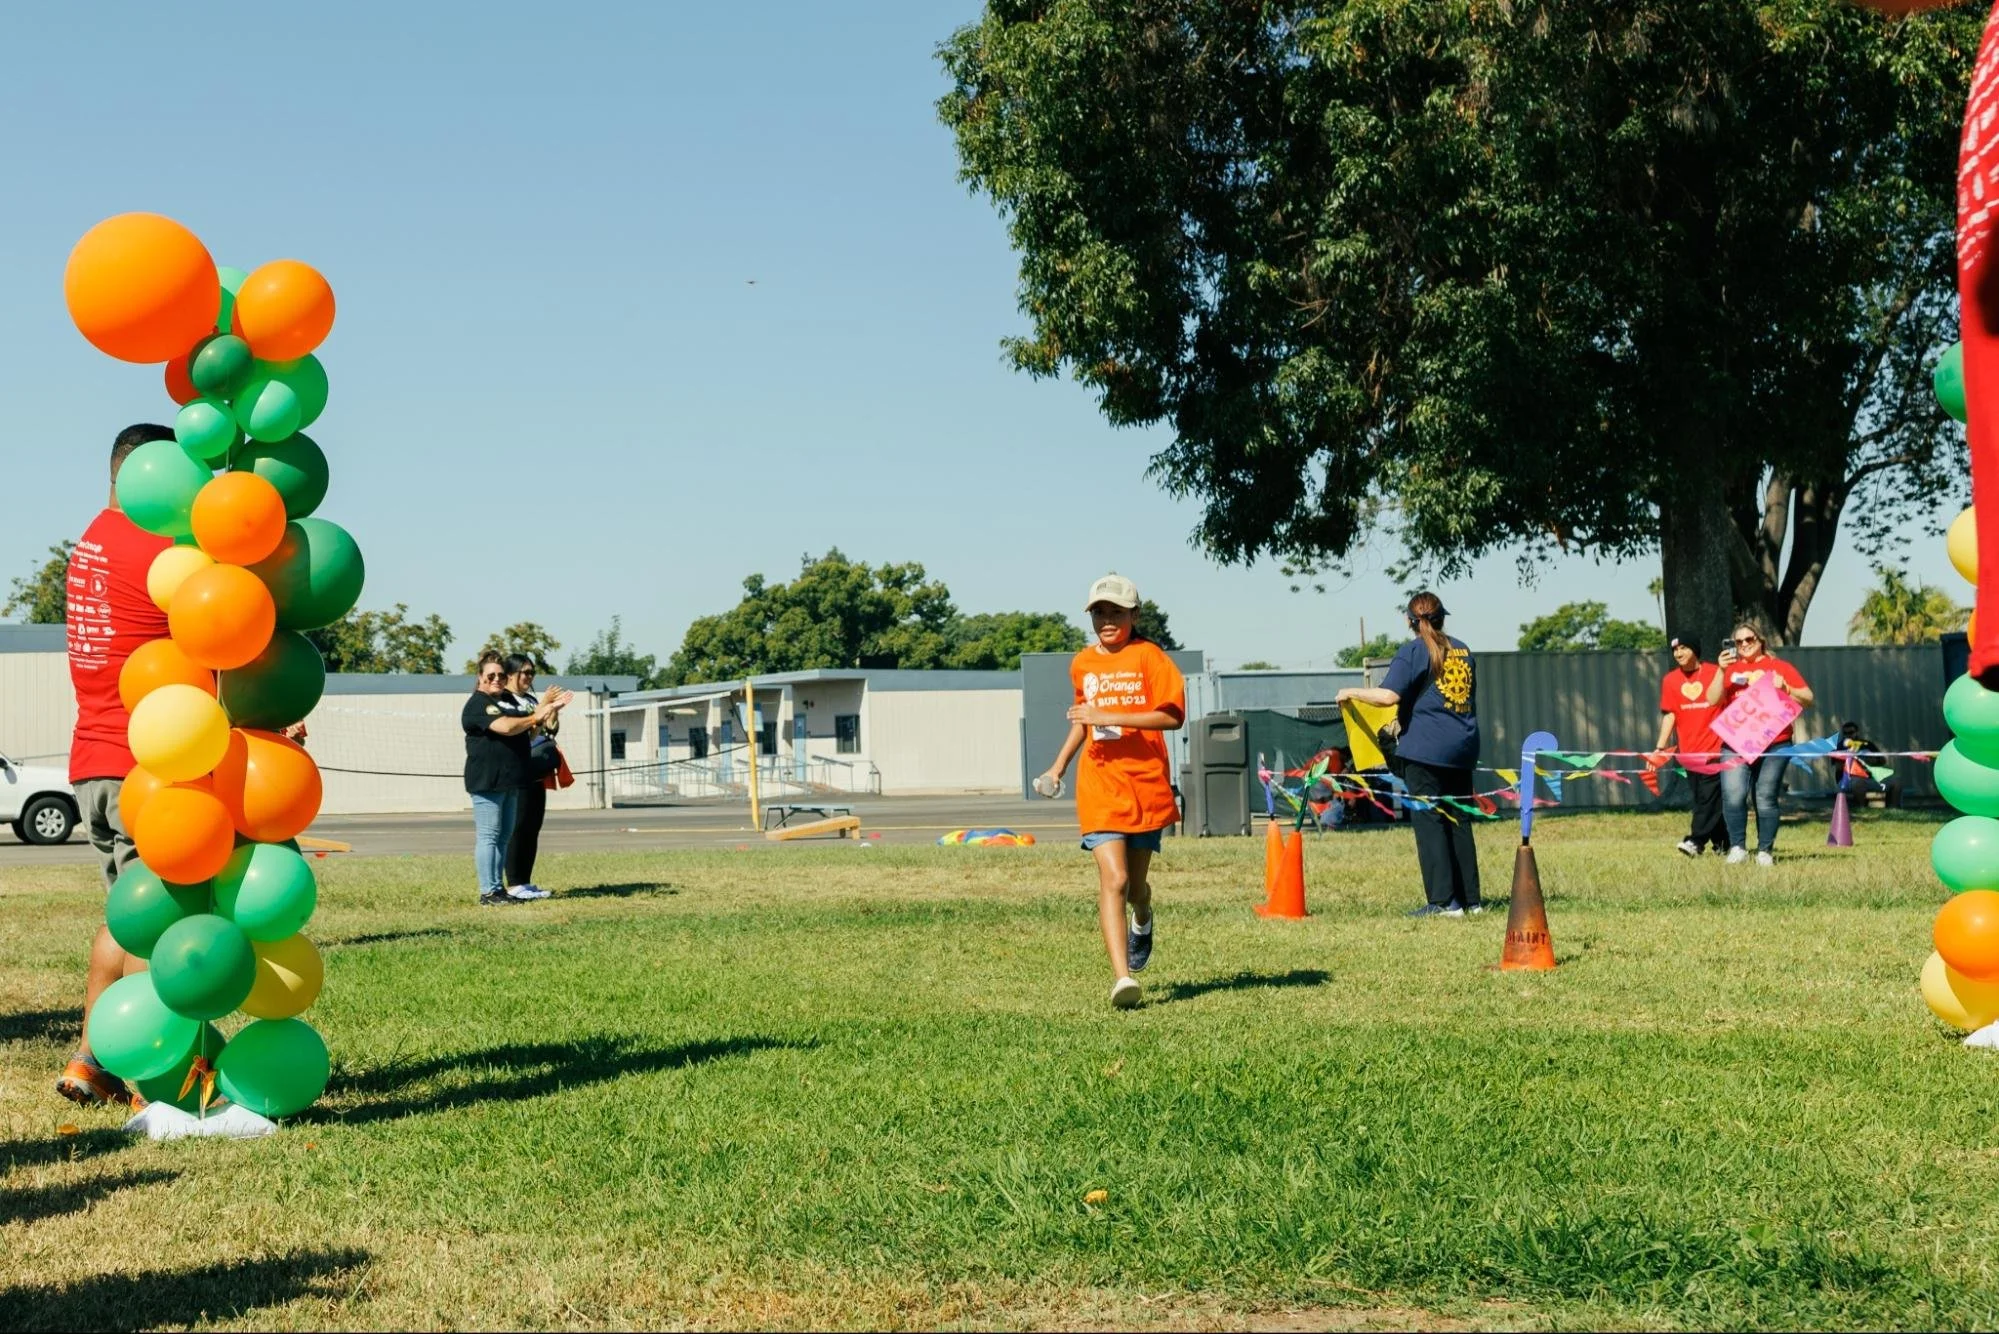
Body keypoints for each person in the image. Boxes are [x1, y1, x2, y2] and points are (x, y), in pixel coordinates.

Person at [56, 424, 177, 1107]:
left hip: (93, 761)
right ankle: (157, 1080)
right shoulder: (160, 550)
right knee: (155, 923)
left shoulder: (93, 540)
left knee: (126, 914)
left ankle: (91, 1061)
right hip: (144, 764)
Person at [1035, 574, 1185, 1010]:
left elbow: (1171, 716)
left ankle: (1144, 914)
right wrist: (1058, 767)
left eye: (1116, 612)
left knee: (1135, 888)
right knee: (1114, 879)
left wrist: (1111, 715)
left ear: (1134, 615)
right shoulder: (1083, 663)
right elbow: (1085, 722)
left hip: (1144, 785)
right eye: (1099, 612)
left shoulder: (1150, 658)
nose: (1106, 620)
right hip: (1100, 784)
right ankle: (1123, 978)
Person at [1337, 593, 1481, 917]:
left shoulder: (1414, 651)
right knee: (1458, 819)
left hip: (1426, 749)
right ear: (1443, 617)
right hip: (1463, 746)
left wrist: (1350, 691)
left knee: (1429, 821)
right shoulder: (1464, 649)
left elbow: (1388, 696)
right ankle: (1471, 901)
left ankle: (1443, 903)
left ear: (1409, 621)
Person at [1707, 622, 1815, 866]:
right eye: (1739, 642)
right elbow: (1712, 700)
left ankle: (1765, 850)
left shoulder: (1779, 667)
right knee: (1733, 795)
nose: (1744, 644)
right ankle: (1738, 848)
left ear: (1761, 640)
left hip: (1775, 743)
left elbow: (1808, 698)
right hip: (1735, 743)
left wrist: (1785, 687)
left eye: (1749, 639)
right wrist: (1720, 671)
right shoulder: (1730, 670)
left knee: (1765, 796)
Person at [464, 651, 564, 906]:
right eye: (491, 676)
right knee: (489, 836)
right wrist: (536, 715)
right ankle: (488, 892)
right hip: (488, 780)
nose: (497, 679)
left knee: (504, 837)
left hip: (511, 780)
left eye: (500, 675)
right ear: (480, 677)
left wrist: (547, 714)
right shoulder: (479, 703)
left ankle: (499, 889)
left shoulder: (505, 703)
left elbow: (528, 735)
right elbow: (506, 727)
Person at [1654, 636, 1726, 857]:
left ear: (1695, 650)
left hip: (1716, 749)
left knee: (1707, 798)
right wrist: (1660, 747)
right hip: (1689, 753)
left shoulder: (1716, 672)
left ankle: (1695, 841)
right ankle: (1724, 844)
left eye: (1683, 648)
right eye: (1675, 649)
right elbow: (1670, 715)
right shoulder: (1670, 680)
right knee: (1706, 800)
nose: (1678, 653)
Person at [503, 653, 559, 900]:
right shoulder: (505, 700)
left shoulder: (530, 699)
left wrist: (553, 712)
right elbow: (520, 729)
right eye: (524, 672)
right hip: (516, 772)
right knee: (518, 827)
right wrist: (543, 704)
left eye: (532, 673)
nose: (529, 677)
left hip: (535, 773)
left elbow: (547, 730)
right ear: (510, 674)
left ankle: (524, 881)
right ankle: (514, 882)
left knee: (532, 827)